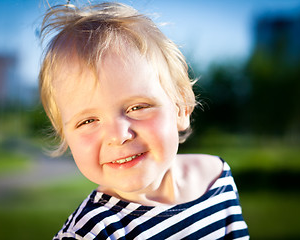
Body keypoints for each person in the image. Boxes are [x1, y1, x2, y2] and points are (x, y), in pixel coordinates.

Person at [39, 2, 249, 239]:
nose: (118, 135)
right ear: (65, 136)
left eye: (137, 107)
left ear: (181, 108)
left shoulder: (216, 178)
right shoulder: (91, 231)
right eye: (88, 121)